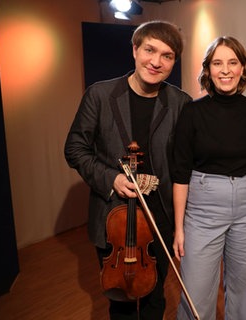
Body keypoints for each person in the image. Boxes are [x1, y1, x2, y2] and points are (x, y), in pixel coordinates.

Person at [64, 20, 192, 319]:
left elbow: (187, 164)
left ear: (174, 61)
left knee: (155, 297)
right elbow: (74, 149)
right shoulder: (99, 95)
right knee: (120, 300)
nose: (156, 62)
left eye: (167, 56)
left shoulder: (180, 103)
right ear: (135, 49)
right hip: (114, 219)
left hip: (160, 216)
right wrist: (112, 178)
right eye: (150, 50)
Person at [171, 36, 246, 320]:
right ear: (208, 70)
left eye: (232, 62)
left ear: (242, 68)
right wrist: (179, 228)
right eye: (217, 63)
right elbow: (180, 172)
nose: (225, 70)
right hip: (203, 209)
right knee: (196, 291)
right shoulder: (192, 112)